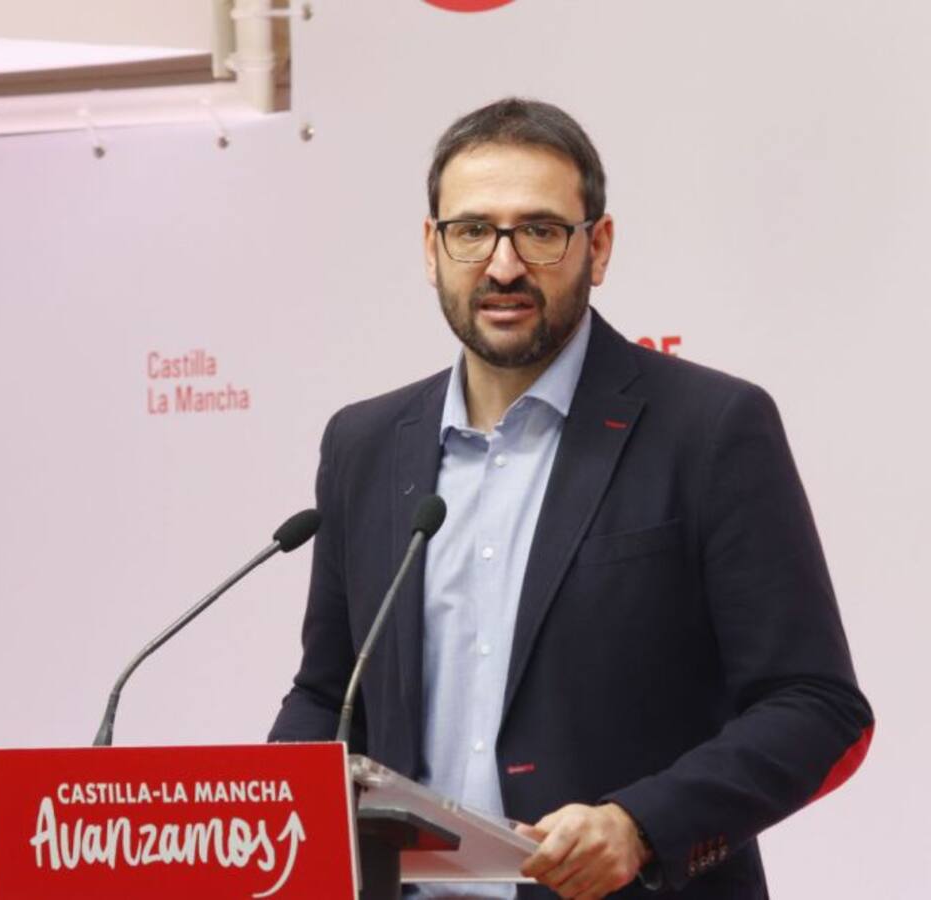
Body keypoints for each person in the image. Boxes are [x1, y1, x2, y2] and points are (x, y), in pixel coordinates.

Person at [270, 97, 874, 900]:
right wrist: (272, 813)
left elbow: (816, 705)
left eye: (541, 231)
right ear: (431, 248)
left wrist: (639, 826)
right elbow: (328, 694)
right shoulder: (365, 444)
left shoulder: (710, 428)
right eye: (472, 230)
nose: (503, 265)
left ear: (600, 245)